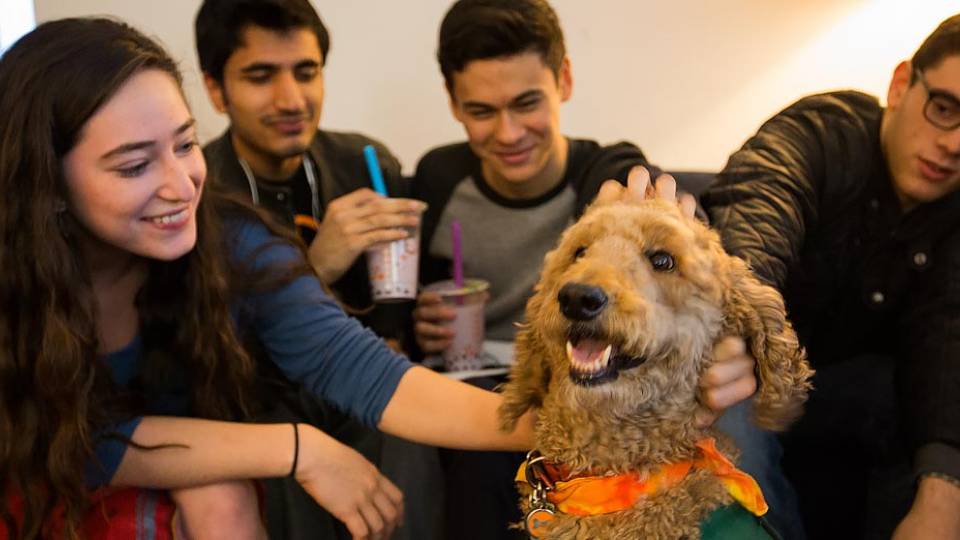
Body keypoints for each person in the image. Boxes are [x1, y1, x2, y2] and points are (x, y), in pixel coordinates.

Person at [0, 17, 536, 540]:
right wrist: (297, 449)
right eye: (134, 166)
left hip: (194, 474)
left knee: (220, 495)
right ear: (47, 181)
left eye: (185, 145)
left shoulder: (230, 240)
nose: (181, 186)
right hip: (43, 483)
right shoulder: (16, 278)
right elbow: (69, 441)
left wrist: (557, 427)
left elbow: (364, 370)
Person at [411, 1, 760, 538]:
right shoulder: (439, 178)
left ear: (564, 80)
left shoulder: (604, 167)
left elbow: (655, 208)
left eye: (527, 104)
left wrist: (658, 220)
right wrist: (421, 316)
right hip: (478, 383)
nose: (508, 133)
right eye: (481, 111)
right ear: (453, 104)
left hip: (589, 378)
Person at [701, 13, 960, 540]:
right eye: (945, 109)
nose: (955, 144)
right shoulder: (824, 131)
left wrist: (942, 493)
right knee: (725, 398)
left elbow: (945, 345)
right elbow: (758, 209)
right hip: (753, 366)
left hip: (852, 397)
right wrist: (743, 330)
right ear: (901, 83)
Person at [193, 2, 433, 537]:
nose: (291, 99)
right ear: (215, 89)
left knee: (411, 422)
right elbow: (205, 355)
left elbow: (396, 305)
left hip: (362, 391)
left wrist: (423, 318)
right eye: (260, 76)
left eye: (306, 72)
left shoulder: (366, 164)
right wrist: (314, 266)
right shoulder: (197, 190)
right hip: (256, 402)